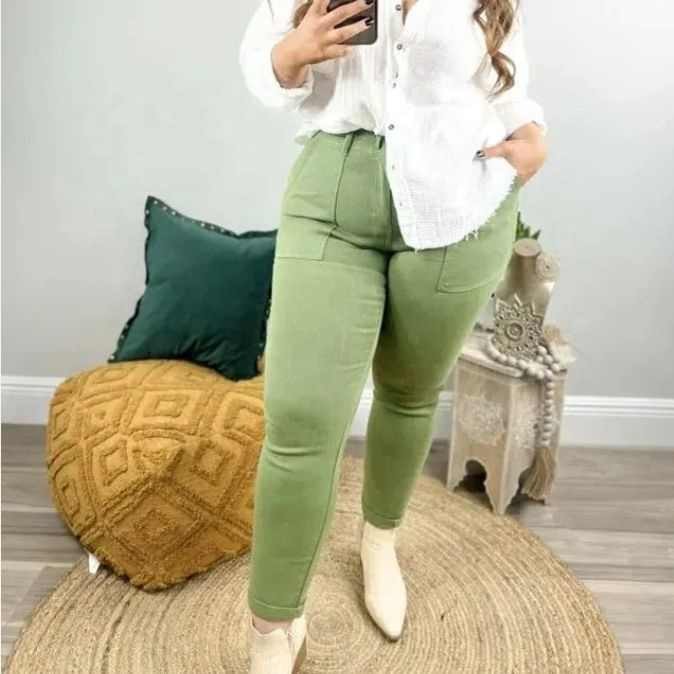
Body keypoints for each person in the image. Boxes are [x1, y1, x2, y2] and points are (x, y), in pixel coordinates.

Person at [238, 0, 548, 671]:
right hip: (332, 196)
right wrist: (292, 53)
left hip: (459, 204)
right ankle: (271, 627)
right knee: (299, 419)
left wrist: (533, 135)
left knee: (409, 392)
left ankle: (379, 542)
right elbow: (262, 67)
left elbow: (507, 86)